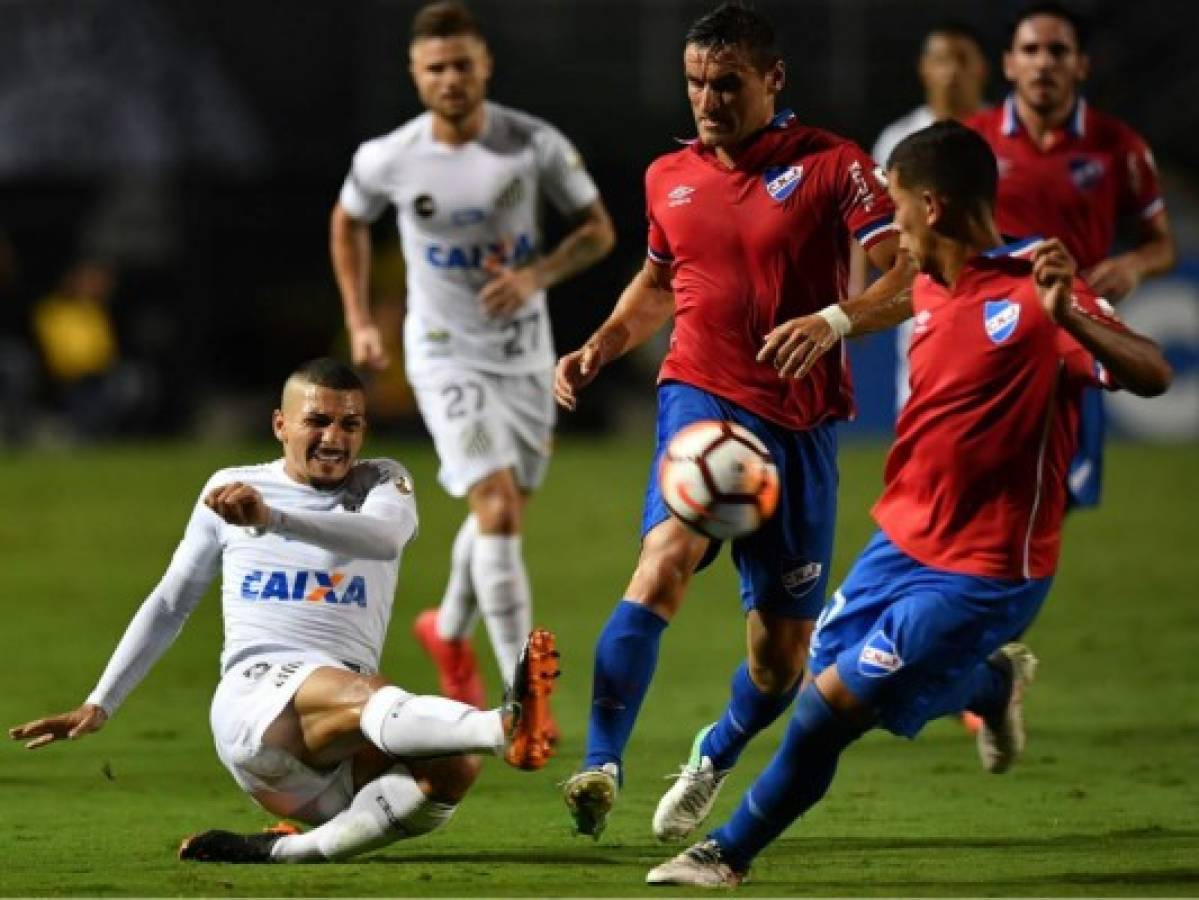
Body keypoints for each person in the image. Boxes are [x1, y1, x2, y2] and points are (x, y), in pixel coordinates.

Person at [645, 121, 1172, 887]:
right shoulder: (924, 283)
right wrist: (826, 322)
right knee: (834, 667)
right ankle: (988, 685)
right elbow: (869, 301)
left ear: (932, 205)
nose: (886, 227)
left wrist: (1073, 319)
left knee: (827, 709)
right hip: (899, 544)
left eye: (895, 206)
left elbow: (1152, 373)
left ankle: (725, 853)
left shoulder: (1036, 290)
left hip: (985, 569)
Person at [554, 2, 911, 841]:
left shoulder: (833, 165)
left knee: (778, 658)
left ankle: (712, 755)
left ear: (771, 79)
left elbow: (908, 278)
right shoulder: (665, 176)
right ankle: (601, 765)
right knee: (663, 560)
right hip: (701, 398)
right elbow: (655, 283)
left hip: (800, 427)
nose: (706, 102)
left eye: (726, 84)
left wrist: (833, 321)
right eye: (693, 84)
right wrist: (600, 346)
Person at [8, 358, 561, 864]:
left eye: (350, 424)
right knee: (379, 700)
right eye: (317, 421)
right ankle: (505, 726)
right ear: (280, 425)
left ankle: (285, 853)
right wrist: (100, 702)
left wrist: (272, 518)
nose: (334, 438)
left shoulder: (382, 482)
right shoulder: (231, 488)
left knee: (451, 767)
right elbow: (172, 601)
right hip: (258, 707)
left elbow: (385, 538)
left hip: (328, 755)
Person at [329, 1, 614, 722]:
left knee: (504, 508)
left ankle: (446, 630)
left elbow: (598, 230)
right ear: (415, 75)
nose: (450, 79)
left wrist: (535, 275)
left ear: (484, 65)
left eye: (462, 64)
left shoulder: (531, 143)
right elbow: (347, 222)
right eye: (436, 68)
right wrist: (362, 320)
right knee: (493, 506)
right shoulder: (388, 157)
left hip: (523, 353)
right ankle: (528, 699)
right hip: (442, 353)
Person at [966, 0, 1175, 509]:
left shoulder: (1118, 146)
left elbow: (1161, 243)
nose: (1043, 63)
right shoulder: (974, 141)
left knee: (1060, 496)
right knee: (978, 486)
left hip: (1075, 332)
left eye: (1058, 51)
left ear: (1081, 64)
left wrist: (1132, 264)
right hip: (993, 334)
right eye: (1031, 50)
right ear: (1010, 63)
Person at [854, 22, 990, 411]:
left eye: (962, 60)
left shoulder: (1005, 133)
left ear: (983, 68)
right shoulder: (896, 139)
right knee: (921, 416)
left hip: (996, 297)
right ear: (923, 68)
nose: (951, 72)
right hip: (924, 296)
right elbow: (869, 218)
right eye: (941, 60)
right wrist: (860, 290)